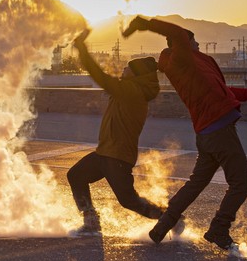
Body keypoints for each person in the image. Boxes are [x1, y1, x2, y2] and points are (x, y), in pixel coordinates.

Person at [123, 16, 247, 253]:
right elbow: (179, 35)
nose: (199, 45)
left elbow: (220, 91)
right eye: (195, 41)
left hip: (208, 133)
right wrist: (146, 23)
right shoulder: (182, 60)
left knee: (196, 184)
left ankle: (162, 226)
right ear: (184, 44)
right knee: (241, 183)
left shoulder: (194, 64)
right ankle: (219, 229)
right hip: (219, 130)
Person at [66, 29, 174, 236]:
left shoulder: (132, 92)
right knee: (76, 175)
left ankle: (170, 219)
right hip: (105, 153)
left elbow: (101, 77)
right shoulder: (129, 90)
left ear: (136, 74)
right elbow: (109, 83)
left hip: (116, 157)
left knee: (128, 201)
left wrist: (82, 50)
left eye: (127, 68)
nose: (123, 69)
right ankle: (90, 220)